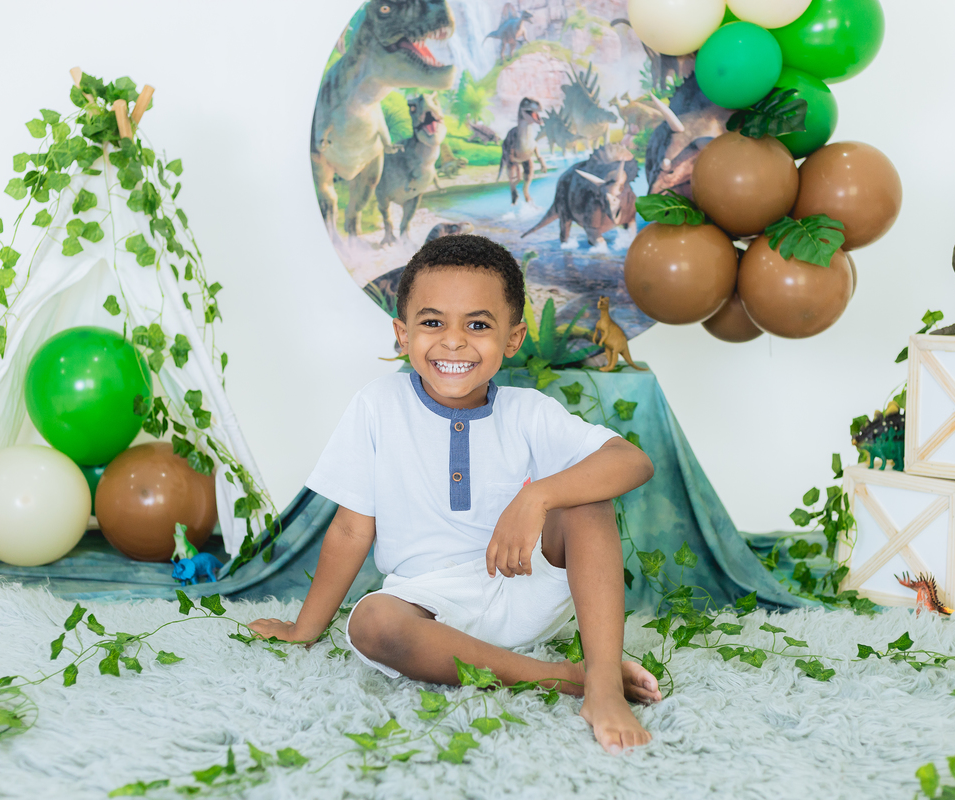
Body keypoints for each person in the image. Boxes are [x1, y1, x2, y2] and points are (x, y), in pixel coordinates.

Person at [248, 234, 659, 753]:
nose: (454, 342)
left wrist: (537, 497)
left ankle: (603, 686)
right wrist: (304, 630)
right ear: (403, 334)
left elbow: (632, 460)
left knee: (586, 498)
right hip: (428, 607)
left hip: (523, 590)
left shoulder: (528, 411)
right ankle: (563, 676)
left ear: (512, 339)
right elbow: (351, 529)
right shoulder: (377, 406)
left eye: (479, 325)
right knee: (372, 623)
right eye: (433, 323)